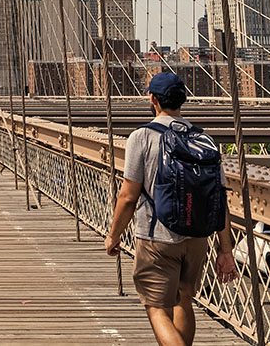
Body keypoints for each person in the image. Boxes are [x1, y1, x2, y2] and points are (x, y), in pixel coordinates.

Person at [104, 72, 238, 346]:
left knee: (155, 307)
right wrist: (226, 250)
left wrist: (114, 235)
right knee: (183, 300)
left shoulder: (141, 136)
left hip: (157, 238)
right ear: (182, 101)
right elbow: (219, 199)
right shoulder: (202, 138)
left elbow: (128, 196)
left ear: (152, 99)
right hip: (197, 237)